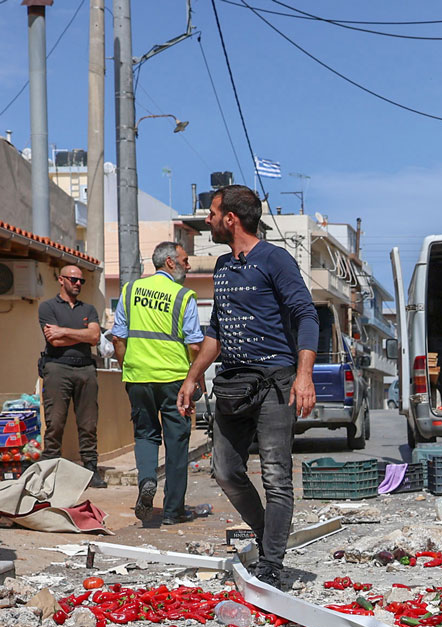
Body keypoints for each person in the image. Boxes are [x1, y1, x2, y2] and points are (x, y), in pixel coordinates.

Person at [176, 185, 317, 586]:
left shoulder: (275, 259)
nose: (208, 220)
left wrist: (304, 375)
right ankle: (267, 534)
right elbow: (217, 331)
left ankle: (271, 563)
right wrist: (192, 377)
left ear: (231, 218)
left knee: (275, 475)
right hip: (234, 384)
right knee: (225, 470)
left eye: (212, 213)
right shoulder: (223, 266)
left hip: (276, 383)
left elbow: (307, 315)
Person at [111, 241, 203, 523]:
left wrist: (128, 368)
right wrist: (196, 378)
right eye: (185, 261)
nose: (188, 266)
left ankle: (147, 479)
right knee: (177, 442)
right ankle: (173, 511)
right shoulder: (183, 296)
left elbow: (118, 338)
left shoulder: (130, 290)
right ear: (170, 262)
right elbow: (194, 345)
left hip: (138, 377)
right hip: (175, 380)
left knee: (145, 434)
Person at [38, 263, 106, 485]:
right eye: (73, 279)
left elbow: (95, 337)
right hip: (58, 367)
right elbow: (54, 341)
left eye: (81, 281)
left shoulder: (88, 309)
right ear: (61, 280)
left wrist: (64, 331)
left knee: (88, 423)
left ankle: (90, 468)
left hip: (86, 368)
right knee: (55, 422)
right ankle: (49, 471)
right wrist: (81, 335)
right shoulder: (48, 307)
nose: (78, 284)